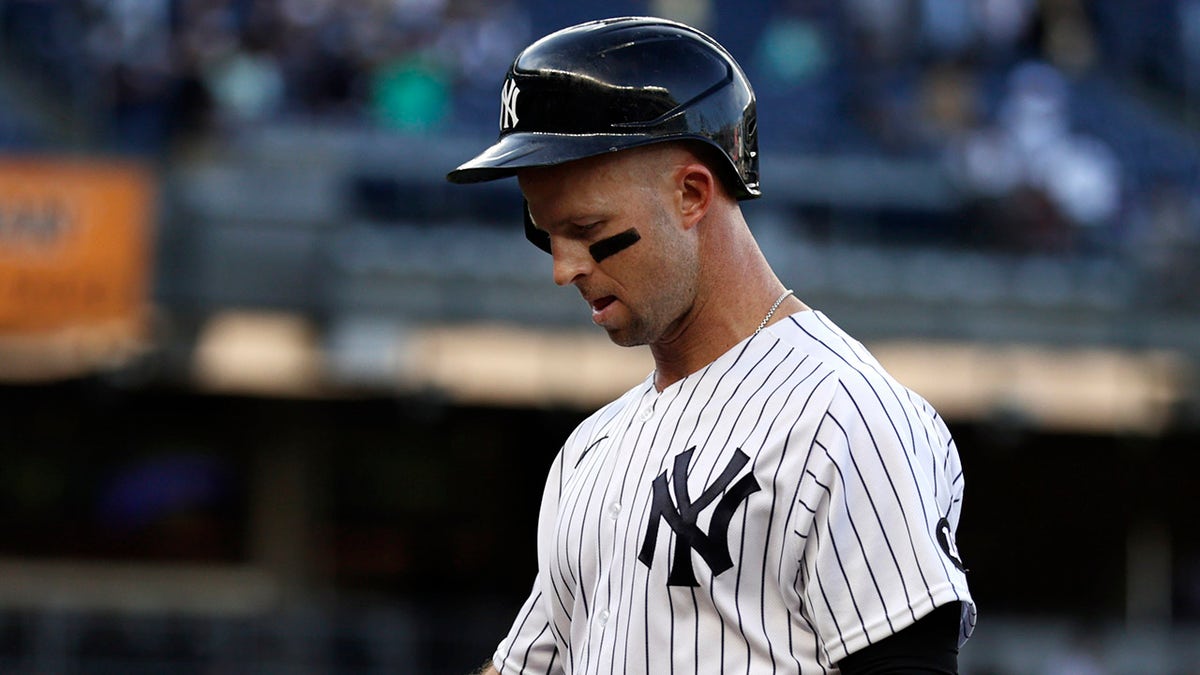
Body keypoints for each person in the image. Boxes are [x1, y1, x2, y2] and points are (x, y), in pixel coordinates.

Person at [446, 16, 975, 674]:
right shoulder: (589, 449)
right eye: (545, 234)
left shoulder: (845, 416)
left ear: (692, 194)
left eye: (586, 228)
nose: (564, 268)